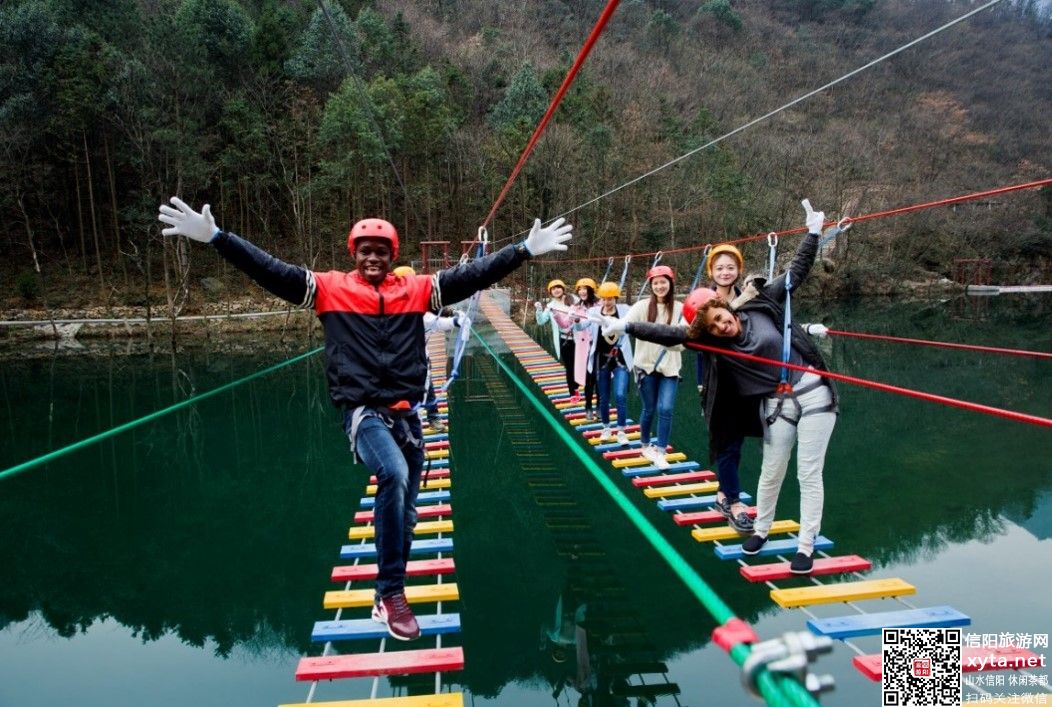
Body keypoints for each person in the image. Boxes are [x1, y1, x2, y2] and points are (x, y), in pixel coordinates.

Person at [158, 197, 572, 637]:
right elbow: (271, 270)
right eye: (365, 251)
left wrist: (523, 251)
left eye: (381, 251)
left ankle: (382, 599)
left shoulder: (416, 290)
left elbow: (472, 276)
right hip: (362, 411)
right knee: (393, 474)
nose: (372, 258)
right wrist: (218, 238)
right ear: (353, 254)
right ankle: (392, 594)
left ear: (392, 256)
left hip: (407, 416)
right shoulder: (330, 288)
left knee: (406, 515)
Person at [594, 200, 836, 574]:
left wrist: (814, 233)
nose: (724, 325)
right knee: (771, 470)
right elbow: (671, 333)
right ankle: (761, 530)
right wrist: (626, 326)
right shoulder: (714, 337)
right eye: (716, 325)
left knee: (808, 472)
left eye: (725, 317)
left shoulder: (758, 301)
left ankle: (806, 546)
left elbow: (795, 274)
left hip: (813, 391)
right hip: (776, 402)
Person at [697, 243, 756, 533]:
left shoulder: (750, 298)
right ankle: (734, 503)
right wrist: (700, 383)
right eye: (719, 267)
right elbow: (695, 340)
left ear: (738, 270)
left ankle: (722, 494)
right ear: (711, 271)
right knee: (727, 443)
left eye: (730, 267)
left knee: (735, 445)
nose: (725, 272)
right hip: (717, 383)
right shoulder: (703, 301)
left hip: (745, 381)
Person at [624, 266, 683, 471]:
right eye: (655, 283)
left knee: (665, 409)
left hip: (670, 367)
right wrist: (610, 325)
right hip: (645, 366)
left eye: (663, 282)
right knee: (649, 409)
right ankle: (645, 445)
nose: (659, 286)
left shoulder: (680, 308)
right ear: (651, 286)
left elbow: (687, 335)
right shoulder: (642, 307)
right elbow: (625, 324)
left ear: (670, 283)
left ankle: (661, 451)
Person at [393, 266, 464, 433]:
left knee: (427, 385)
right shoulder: (389, 307)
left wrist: (453, 316)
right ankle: (405, 420)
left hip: (419, 358)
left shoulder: (417, 303)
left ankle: (432, 417)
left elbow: (434, 313)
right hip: (397, 360)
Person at [586, 282, 633, 445]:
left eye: (610, 299)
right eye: (604, 299)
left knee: (620, 395)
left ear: (615, 298)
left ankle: (621, 431)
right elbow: (581, 325)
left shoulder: (625, 310)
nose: (607, 302)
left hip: (620, 359)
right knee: (604, 397)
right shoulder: (594, 312)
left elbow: (637, 319)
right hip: (602, 359)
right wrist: (576, 320)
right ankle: (606, 428)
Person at [535, 279, 579, 400]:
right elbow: (541, 321)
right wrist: (539, 310)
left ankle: (577, 386)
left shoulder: (574, 299)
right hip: (565, 340)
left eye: (558, 287)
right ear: (550, 292)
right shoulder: (551, 306)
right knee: (569, 367)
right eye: (553, 289)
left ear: (563, 288)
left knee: (580, 366)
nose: (556, 290)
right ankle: (573, 393)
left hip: (579, 339)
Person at [571, 278, 599, 421]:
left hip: (600, 345)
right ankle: (588, 406)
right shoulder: (576, 308)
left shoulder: (600, 305)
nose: (582, 292)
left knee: (600, 378)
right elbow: (576, 327)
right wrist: (576, 320)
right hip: (585, 347)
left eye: (585, 289)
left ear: (591, 290)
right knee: (589, 379)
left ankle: (599, 406)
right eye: (580, 289)